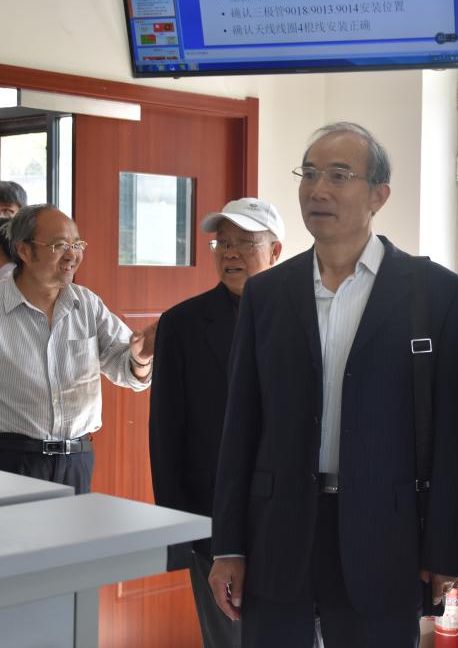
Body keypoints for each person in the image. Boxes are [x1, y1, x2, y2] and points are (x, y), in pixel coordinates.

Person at [208, 123, 458, 648]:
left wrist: (447, 548)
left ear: (379, 195)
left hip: (386, 535)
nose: (318, 190)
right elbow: (240, 427)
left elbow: (455, 434)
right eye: (309, 174)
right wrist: (229, 545)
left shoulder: (438, 295)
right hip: (278, 533)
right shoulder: (267, 294)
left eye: (338, 175)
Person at [0, 204, 157, 493]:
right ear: (24, 250)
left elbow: (128, 371)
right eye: (60, 246)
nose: (72, 255)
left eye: (77, 244)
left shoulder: (87, 305)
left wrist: (140, 358)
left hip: (74, 460)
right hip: (3, 462)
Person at [150, 197, 285, 648]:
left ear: (275, 251)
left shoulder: (304, 317)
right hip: (212, 518)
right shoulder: (181, 324)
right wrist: (177, 531)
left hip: (290, 515)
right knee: (228, 636)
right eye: (222, 243)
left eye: (244, 243)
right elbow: (165, 434)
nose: (229, 253)